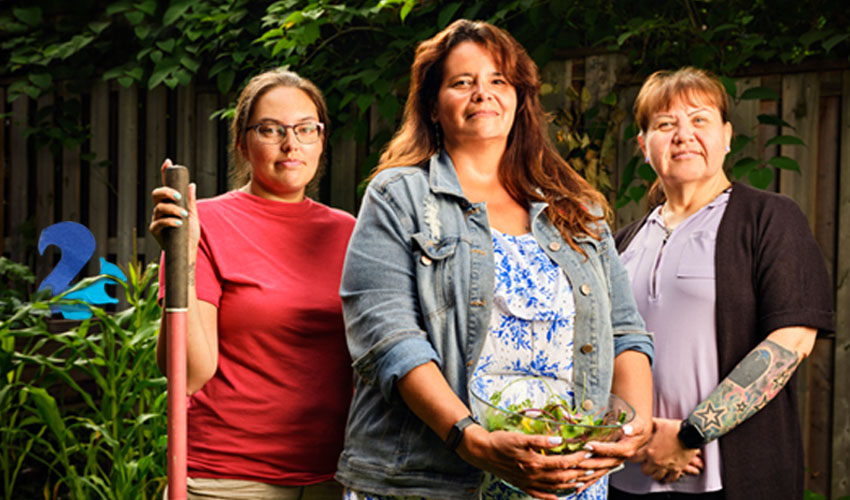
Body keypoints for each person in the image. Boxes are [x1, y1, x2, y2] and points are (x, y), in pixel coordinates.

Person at [335, 19, 654, 500]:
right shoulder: (399, 196)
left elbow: (625, 331)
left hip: (567, 480)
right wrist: (472, 439)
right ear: (433, 107)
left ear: (520, 99)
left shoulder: (576, 206)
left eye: (497, 81)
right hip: (433, 478)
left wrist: (630, 427)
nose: (482, 94)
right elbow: (390, 340)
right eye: (462, 82)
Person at [609, 67, 834, 500]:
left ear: (727, 136)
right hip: (628, 475)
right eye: (665, 124)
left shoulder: (769, 218)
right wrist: (637, 435)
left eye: (700, 119)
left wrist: (689, 435)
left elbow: (791, 343)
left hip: (732, 479)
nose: (683, 134)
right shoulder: (622, 243)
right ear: (643, 146)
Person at [149, 68, 355, 499]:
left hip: (336, 474)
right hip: (230, 476)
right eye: (270, 129)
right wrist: (182, 258)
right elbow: (188, 374)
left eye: (305, 129)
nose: (290, 143)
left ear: (321, 139)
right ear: (242, 142)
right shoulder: (203, 225)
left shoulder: (352, 233)